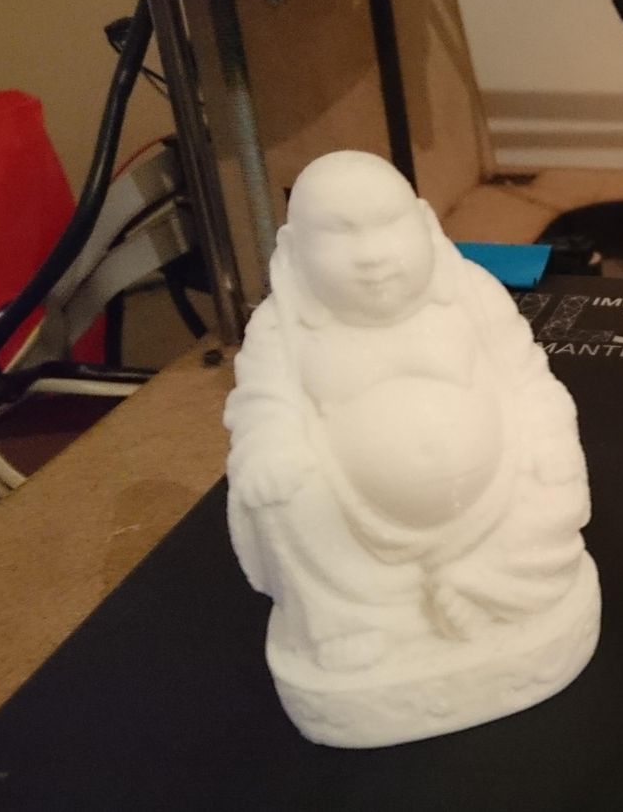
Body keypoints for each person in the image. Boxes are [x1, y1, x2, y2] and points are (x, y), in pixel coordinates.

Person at [224, 151, 591, 672]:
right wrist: (270, 448)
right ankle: (357, 620)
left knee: (551, 487)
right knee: (282, 497)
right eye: (339, 235)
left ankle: (489, 586)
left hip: (497, 497)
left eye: (389, 225)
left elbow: (527, 375)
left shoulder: (472, 292)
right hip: (354, 519)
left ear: (425, 223)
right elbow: (263, 405)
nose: (371, 256)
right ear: (294, 248)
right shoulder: (280, 327)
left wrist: (548, 436)